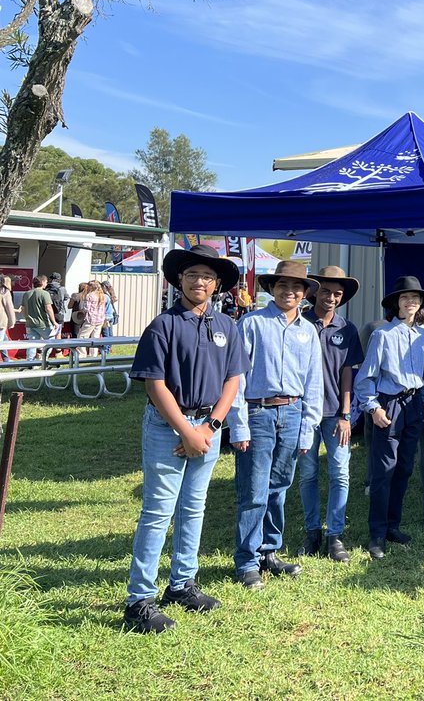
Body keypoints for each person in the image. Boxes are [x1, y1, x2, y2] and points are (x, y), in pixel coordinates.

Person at [122, 245, 248, 633]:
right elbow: (154, 384)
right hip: (168, 427)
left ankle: (182, 585)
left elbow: (233, 381)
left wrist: (208, 428)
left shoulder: (227, 326)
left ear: (217, 285)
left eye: (208, 276)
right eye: (192, 274)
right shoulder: (163, 325)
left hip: (208, 427)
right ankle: (140, 600)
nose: (200, 282)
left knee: (194, 508)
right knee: (158, 512)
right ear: (179, 279)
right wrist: (185, 430)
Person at [227, 260, 323, 590]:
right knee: (253, 489)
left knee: (279, 487)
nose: (290, 292)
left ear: (305, 294)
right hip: (258, 413)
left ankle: (269, 551)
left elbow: (314, 382)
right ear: (272, 289)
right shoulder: (252, 324)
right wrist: (237, 425)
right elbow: (236, 378)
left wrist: (309, 425)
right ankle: (246, 561)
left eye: (297, 287)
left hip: (293, 413)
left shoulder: (308, 331)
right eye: (283, 286)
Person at [355, 275, 424, 559]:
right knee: (384, 470)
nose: (410, 302)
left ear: (420, 303)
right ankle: (376, 533)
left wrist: (423, 404)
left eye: (415, 298)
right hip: (390, 404)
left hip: (413, 404)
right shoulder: (383, 335)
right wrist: (374, 408)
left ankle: (393, 526)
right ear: (396, 304)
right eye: (404, 298)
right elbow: (366, 377)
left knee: (405, 468)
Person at [298, 266, 365, 563]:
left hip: (336, 413)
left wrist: (346, 413)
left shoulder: (347, 329)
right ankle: (312, 531)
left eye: (337, 294)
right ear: (314, 292)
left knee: (340, 473)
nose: (331, 298)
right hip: (303, 412)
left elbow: (347, 373)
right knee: (308, 473)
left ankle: (334, 535)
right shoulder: (299, 322)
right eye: (326, 291)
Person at [22, 275, 57, 342]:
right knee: (50, 340)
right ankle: (44, 352)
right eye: (46, 282)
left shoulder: (26, 294)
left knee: (32, 344)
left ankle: (35, 352)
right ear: (42, 282)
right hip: (43, 323)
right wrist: (54, 322)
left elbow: (23, 309)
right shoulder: (45, 293)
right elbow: (48, 308)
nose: (46, 284)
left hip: (30, 323)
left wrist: (27, 318)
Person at [0, 275, 16, 360]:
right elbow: (9, 308)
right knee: (2, 342)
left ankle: (6, 359)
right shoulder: (5, 292)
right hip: (1, 321)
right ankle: (6, 360)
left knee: (5, 340)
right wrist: (12, 322)